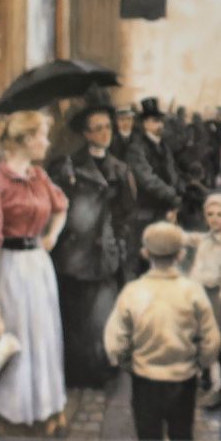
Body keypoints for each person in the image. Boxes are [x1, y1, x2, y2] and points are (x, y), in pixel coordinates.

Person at [0, 110, 69, 436]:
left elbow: (61, 207)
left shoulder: (40, 178)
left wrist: (51, 236)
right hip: (7, 270)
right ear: (25, 140)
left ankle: (40, 408)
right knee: (12, 340)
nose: (47, 142)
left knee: (41, 339)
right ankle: (7, 412)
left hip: (38, 269)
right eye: (42, 136)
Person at [104, 221, 221, 441]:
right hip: (183, 381)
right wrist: (200, 363)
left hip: (145, 381)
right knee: (182, 439)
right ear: (180, 254)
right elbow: (211, 340)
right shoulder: (193, 291)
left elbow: (114, 342)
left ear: (145, 253)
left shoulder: (132, 292)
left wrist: (128, 363)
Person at [46, 96, 132, 389]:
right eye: (97, 128)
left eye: (108, 127)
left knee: (101, 315)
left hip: (104, 252)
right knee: (74, 313)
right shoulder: (67, 167)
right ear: (85, 133)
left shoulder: (120, 169)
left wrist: (117, 243)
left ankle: (99, 370)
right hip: (74, 252)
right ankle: (74, 372)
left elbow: (125, 213)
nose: (105, 133)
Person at [181, 193, 221, 409]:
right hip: (198, 293)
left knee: (219, 340)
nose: (214, 219)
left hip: (215, 294)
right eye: (210, 214)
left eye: (220, 215)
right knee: (199, 335)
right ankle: (206, 377)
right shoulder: (204, 239)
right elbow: (186, 238)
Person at [127, 97, 183, 244]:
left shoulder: (164, 146)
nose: (160, 125)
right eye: (155, 121)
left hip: (166, 209)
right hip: (146, 211)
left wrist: (179, 190)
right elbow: (148, 179)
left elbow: (173, 173)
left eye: (161, 121)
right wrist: (172, 196)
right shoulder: (136, 148)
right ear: (145, 123)